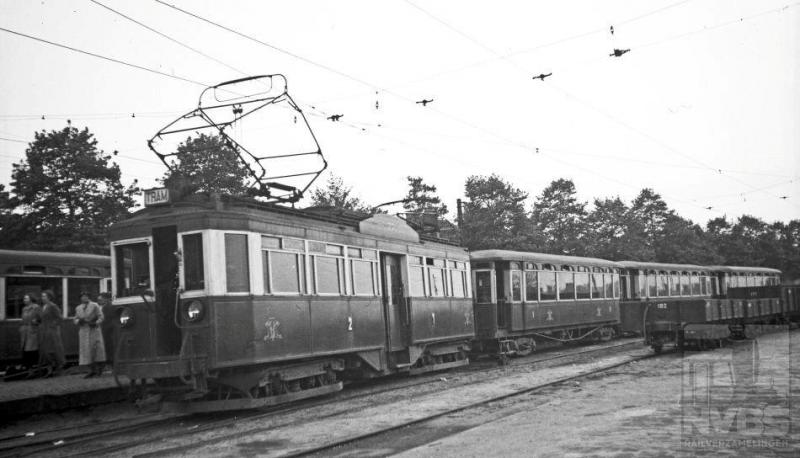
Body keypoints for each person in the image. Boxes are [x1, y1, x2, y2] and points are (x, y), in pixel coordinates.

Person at [74, 292, 106, 378]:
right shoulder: (78, 308)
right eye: (82, 297)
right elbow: (75, 319)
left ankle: (99, 369)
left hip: (94, 330)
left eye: (86, 296)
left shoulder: (94, 305)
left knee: (97, 350)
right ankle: (92, 370)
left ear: (88, 297)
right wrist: (79, 321)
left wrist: (96, 323)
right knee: (86, 352)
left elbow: (101, 317)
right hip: (83, 331)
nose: (84, 298)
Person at [39, 290, 66, 374]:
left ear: (49, 297)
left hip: (52, 332)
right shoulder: (43, 307)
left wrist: (53, 325)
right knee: (45, 350)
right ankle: (49, 368)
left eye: (44, 296)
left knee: (54, 349)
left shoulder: (53, 306)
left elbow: (60, 318)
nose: (42, 298)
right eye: (42, 296)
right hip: (44, 331)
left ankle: (58, 367)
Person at [19, 293, 42, 369]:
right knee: (25, 349)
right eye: (24, 298)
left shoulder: (36, 307)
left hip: (32, 331)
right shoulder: (24, 309)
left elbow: (41, 319)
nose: (24, 300)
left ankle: (34, 367)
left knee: (31, 349)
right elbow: (23, 319)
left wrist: (36, 321)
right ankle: (28, 367)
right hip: (25, 332)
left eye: (26, 298)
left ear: (31, 299)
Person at [97, 292, 116, 368]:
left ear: (106, 299)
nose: (99, 301)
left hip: (108, 330)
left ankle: (111, 363)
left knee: (109, 347)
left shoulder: (108, 307)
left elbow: (108, 319)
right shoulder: (105, 306)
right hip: (106, 329)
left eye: (101, 299)